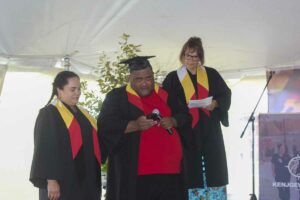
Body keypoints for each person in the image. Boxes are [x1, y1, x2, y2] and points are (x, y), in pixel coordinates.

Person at [98, 56, 191, 200]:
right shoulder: (117, 97)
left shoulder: (166, 94)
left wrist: (173, 120)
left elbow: (185, 116)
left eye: (148, 78)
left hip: (170, 171)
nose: (144, 84)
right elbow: (106, 126)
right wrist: (134, 125)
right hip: (136, 173)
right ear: (130, 78)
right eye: (138, 79)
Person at [163, 37, 231, 199]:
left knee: (214, 169)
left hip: (210, 130)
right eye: (188, 56)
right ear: (182, 56)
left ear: (201, 57)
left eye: (195, 56)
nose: (192, 60)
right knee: (189, 172)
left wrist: (215, 103)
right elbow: (165, 101)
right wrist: (180, 109)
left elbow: (225, 94)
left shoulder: (211, 74)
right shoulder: (173, 78)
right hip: (187, 132)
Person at [30, 71, 102, 200]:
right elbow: (44, 148)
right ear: (59, 90)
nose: (77, 93)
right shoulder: (49, 113)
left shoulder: (83, 113)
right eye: (72, 89)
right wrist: (51, 179)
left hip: (86, 180)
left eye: (79, 89)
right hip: (63, 181)